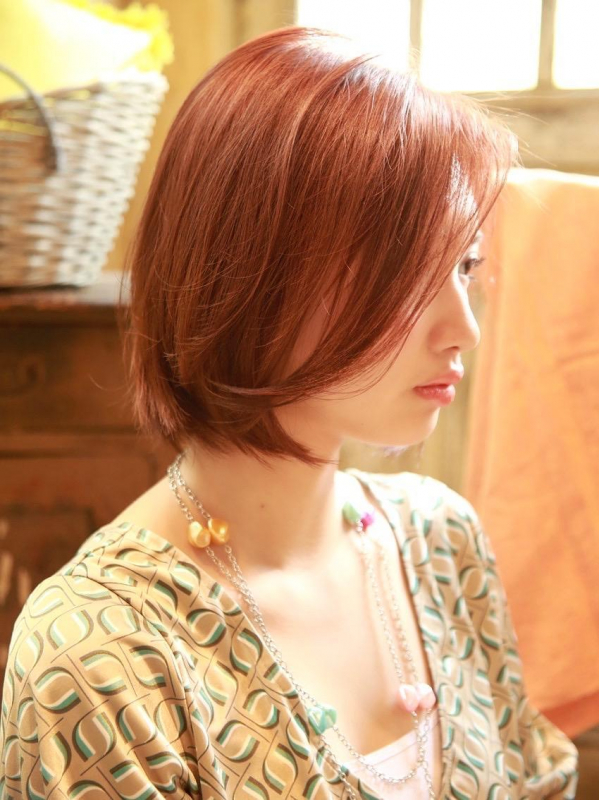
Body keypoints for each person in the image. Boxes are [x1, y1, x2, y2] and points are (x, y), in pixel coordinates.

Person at [0, 25, 578, 800]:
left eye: (465, 267)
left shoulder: (440, 539)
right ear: (253, 277)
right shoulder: (99, 654)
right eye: (410, 274)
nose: (463, 329)